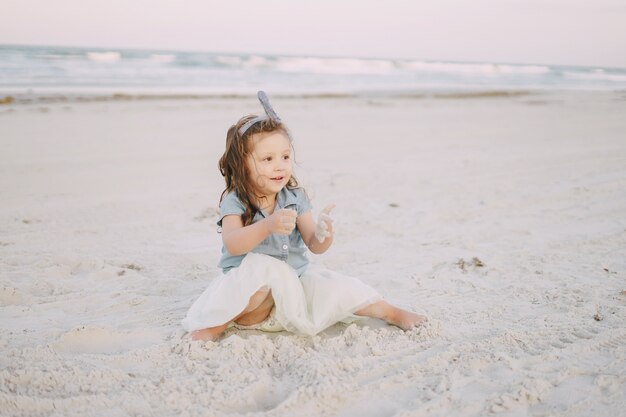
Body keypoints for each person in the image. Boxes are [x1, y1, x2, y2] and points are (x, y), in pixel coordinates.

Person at [182, 91, 427, 341]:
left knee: (338, 288)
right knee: (262, 274)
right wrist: (267, 226)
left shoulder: (295, 197)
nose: (280, 166)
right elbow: (233, 245)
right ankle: (214, 326)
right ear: (241, 164)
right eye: (267, 159)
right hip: (253, 301)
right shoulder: (235, 200)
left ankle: (391, 312)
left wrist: (324, 234)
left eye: (285, 157)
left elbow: (315, 245)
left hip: (294, 290)